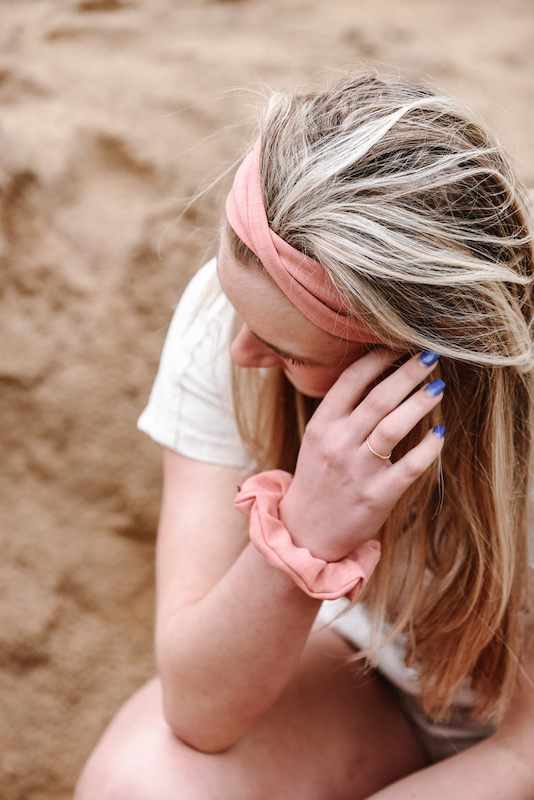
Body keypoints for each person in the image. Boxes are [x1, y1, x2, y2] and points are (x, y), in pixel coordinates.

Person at [75, 73, 534, 799]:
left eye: (291, 353)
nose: (241, 355)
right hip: (386, 689)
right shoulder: (230, 324)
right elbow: (198, 709)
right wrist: (307, 534)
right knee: (142, 782)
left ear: (418, 358)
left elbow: (522, 758)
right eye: (238, 313)